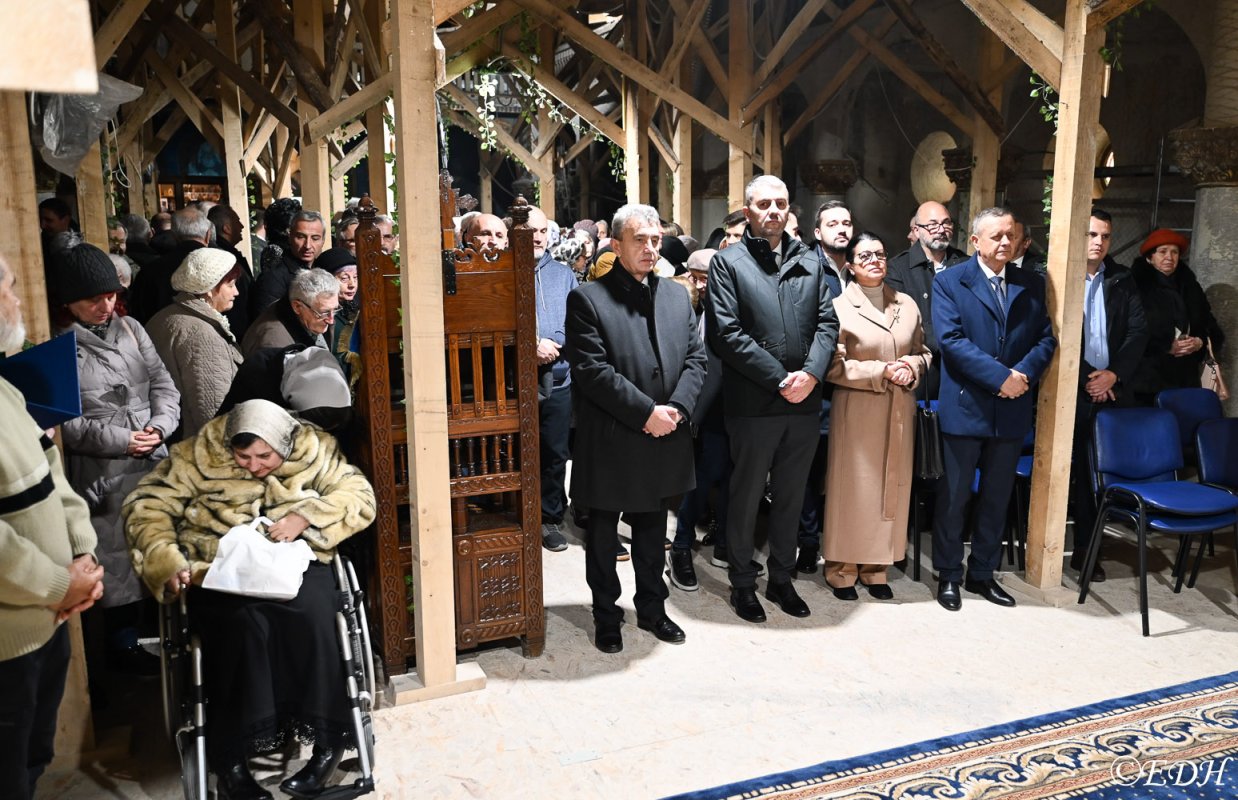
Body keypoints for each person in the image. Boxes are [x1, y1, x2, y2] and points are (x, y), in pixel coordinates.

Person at [122, 399, 376, 800]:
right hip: (221, 564)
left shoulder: (315, 449)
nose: (255, 466)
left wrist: (307, 515)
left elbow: (358, 494)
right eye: (244, 457)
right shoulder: (196, 456)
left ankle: (327, 745)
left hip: (293, 558)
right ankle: (231, 760)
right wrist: (165, 559)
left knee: (314, 616)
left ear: (285, 444)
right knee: (237, 627)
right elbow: (146, 505)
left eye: (265, 456)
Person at [565, 204, 706, 652]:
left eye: (655, 239)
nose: (650, 247)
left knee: (651, 534)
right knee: (604, 540)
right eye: (640, 239)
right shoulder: (588, 298)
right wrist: (647, 412)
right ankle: (607, 616)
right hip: (613, 437)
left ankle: (652, 610)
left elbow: (695, 360)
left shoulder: (674, 295)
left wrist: (678, 409)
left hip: (666, 433)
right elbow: (592, 370)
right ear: (618, 244)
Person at [707, 175, 840, 622]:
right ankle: (743, 583)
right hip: (754, 402)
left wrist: (811, 374)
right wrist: (780, 378)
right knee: (745, 496)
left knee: (791, 493)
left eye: (781, 203)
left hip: (802, 402)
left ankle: (782, 578)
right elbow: (726, 333)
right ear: (747, 211)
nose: (773, 211)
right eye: (764, 204)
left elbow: (827, 324)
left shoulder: (810, 260)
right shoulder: (730, 263)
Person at [0, 253, 104, 800]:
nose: (18, 302)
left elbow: (52, 473)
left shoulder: (5, 390)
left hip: (49, 617)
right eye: (11, 289)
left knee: (33, 760)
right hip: (8, 639)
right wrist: (64, 584)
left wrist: (83, 553)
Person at [51, 244, 181, 670]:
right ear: (67, 301)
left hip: (151, 456)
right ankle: (122, 653)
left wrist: (160, 425)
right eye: (93, 299)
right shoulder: (59, 345)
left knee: (160, 552)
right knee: (115, 563)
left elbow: (164, 383)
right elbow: (65, 424)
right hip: (103, 470)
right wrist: (123, 439)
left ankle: (165, 641)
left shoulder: (132, 328)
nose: (105, 305)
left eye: (110, 296)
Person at [931, 207, 1057, 611]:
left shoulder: (1030, 283)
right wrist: (999, 377)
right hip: (967, 406)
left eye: (1010, 235)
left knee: (996, 496)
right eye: (996, 236)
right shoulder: (951, 281)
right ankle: (949, 575)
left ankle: (982, 573)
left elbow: (1045, 339)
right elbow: (950, 341)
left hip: (1012, 408)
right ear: (975, 242)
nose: (1005, 242)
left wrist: (1021, 375)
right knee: (954, 498)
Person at [822, 232, 930, 600]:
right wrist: (878, 372)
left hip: (900, 407)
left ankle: (875, 566)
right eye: (865, 255)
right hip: (858, 408)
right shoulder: (837, 306)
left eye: (880, 254)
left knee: (891, 487)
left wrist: (911, 367)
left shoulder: (907, 305)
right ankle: (842, 567)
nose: (875, 260)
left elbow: (924, 351)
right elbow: (832, 365)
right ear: (849, 264)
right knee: (854, 489)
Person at [1067, 209, 1147, 582]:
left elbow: (1137, 332)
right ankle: (1070, 549)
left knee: (1100, 475)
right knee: (1075, 475)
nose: (1098, 242)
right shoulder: (1058, 276)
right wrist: (1088, 379)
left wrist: (1113, 375)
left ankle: (1090, 549)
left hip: (1113, 390)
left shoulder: (1122, 278)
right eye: (1091, 234)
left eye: (1105, 236)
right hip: (1072, 390)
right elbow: (1058, 335)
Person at [667, 248, 731, 592]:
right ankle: (680, 548)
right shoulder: (685, 302)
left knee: (734, 478)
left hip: (742, 403)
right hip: (708, 405)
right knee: (705, 477)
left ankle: (725, 546)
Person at [796, 201, 852, 574]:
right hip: (818, 387)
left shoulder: (861, 269)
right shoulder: (808, 269)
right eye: (833, 223)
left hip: (854, 389)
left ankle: (839, 541)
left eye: (847, 223)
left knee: (842, 472)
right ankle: (807, 542)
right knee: (809, 473)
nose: (842, 229)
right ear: (817, 233)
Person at [146, 248, 245, 438]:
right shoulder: (202, 335)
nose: (237, 292)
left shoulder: (166, 316)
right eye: (230, 285)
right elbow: (214, 413)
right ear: (209, 288)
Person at [528, 206, 580, 553]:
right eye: (530, 230)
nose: (537, 237)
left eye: (543, 231)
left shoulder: (564, 274)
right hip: (516, 382)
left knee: (555, 453)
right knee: (520, 453)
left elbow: (579, 320)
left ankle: (549, 518)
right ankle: (518, 516)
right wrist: (532, 345)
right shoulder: (501, 272)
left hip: (560, 378)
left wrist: (555, 344)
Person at [1128, 228, 1225, 405]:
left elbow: (1211, 327)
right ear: (1150, 258)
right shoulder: (1136, 287)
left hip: (1186, 378)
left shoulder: (1191, 287)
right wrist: (1165, 346)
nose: (1169, 257)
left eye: (1175, 252)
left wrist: (1199, 342)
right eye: (1162, 251)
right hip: (1147, 380)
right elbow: (1127, 333)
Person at [885, 200, 969, 401]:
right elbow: (901, 322)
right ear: (916, 229)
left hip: (963, 369)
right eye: (932, 225)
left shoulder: (966, 265)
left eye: (946, 223)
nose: (941, 230)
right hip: (921, 370)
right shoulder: (898, 268)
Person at [127, 204, 212, 324]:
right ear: (208, 235)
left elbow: (139, 315)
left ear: (174, 235)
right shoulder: (222, 266)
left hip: (159, 337)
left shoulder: (150, 271)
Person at [242, 268, 340, 357]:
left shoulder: (306, 310)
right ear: (297, 307)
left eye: (335, 309)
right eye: (323, 312)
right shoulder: (274, 343)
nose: (331, 320)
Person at [251, 210, 327, 315]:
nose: (308, 245)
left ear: (323, 240)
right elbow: (266, 323)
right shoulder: (273, 278)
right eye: (300, 237)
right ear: (290, 237)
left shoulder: (323, 271)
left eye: (315, 238)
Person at [208, 204, 256, 341]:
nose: (242, 226)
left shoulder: (230, 254)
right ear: (226, 228)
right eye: (237, 222)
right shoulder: (223, 259)